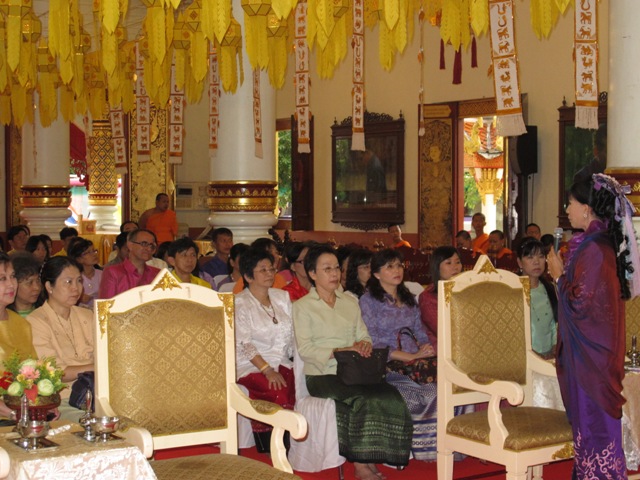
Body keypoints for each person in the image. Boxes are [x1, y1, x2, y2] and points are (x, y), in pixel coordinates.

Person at [546, 174, 639, 479]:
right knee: (589, 434)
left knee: (595, 429)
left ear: (586, 208)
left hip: (591, 359)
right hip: (589, 353)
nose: (567, 210)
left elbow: (580, 305)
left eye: (570, 203)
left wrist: (559, 276)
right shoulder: (594, 245)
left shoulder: (595, 249)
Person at [294, 244, 412, 480]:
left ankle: (373, 456)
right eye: (327, 269)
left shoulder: (349, 302)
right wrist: (341, 350)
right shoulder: (302, 307)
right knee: (362, 399)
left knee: (390, 396)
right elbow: (306, 350)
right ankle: (359, 464)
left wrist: (365, 344)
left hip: (355, 370)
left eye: (337, 268)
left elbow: (364, 335)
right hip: (323, 374)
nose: (334, 273)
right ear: (312, 273)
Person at [359, 249, 437, 461]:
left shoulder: (408, 297)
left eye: (399, 265)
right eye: (390, 267)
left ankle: (436, 447)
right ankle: (421, 449)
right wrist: (410, 357)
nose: (397, 270)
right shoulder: (369, 300)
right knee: (420, 396)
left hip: (417, 363)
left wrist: (426, 348)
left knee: (441, 390)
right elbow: (373, 341)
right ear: (376, 274)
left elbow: (420, 331)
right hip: (390, 365)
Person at [235, 247, 296, 452]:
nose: (270, 273)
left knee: (299, 383)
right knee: (276, 390)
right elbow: (244, 343)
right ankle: (271, 445)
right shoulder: (240, 303)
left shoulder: (281, 297)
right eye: (263, 270)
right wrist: (266, 369)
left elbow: (293, 333)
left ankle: (288, 445)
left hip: (282, 360)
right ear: (248, 276)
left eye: (271, 269)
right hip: (252, 364)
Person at [26, 257, 94, 420]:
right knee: (93, 422)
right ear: (49, 286)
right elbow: (55, 373)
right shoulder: (36, 321)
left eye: (79, 281)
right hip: (63, 399)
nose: (76, 288)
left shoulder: (88, 315)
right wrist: (97, 367)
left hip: (96, 392)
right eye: (68, 282)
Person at [516, 237, 562, 410]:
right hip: (524, 360)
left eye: (541, 256)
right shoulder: (512, 290)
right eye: (530, 257)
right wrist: (533, 355)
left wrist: (554, 348)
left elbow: (555, 323)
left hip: (550, 357)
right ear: (519, 262)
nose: (536, 262)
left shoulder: (550, 288)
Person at [0, 252, 38, 424]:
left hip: (20, 411)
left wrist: (43, 403)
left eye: (13, 276)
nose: (11, 284)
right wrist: (11, 413)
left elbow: (33, 372)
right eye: (2, 279)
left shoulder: (22, 324)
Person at [418, 246, 462, 352]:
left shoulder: (466, 290)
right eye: (448, 263)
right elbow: (442, 331)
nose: (455, 267)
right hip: (443, 349)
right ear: (437, 267)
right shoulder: (428, 297)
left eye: (457, 262)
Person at [99, 229, 160, 299]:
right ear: (130, 245)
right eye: (144, 244)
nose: (148, 249)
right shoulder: (112, 272)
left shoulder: (157, 273)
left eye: (151, 246)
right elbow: (107, 303)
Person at [67, 237, 103, 309]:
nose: (94, 254)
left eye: (94, 251)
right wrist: (79, 298)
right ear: (78, 259)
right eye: (88, 252)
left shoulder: (102, 274)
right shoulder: (74, 277)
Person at [9, 253, 43, 317]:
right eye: (29, 283)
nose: (37, 287)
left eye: (38, 280)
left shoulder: (46, 311)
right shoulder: (5, 316)